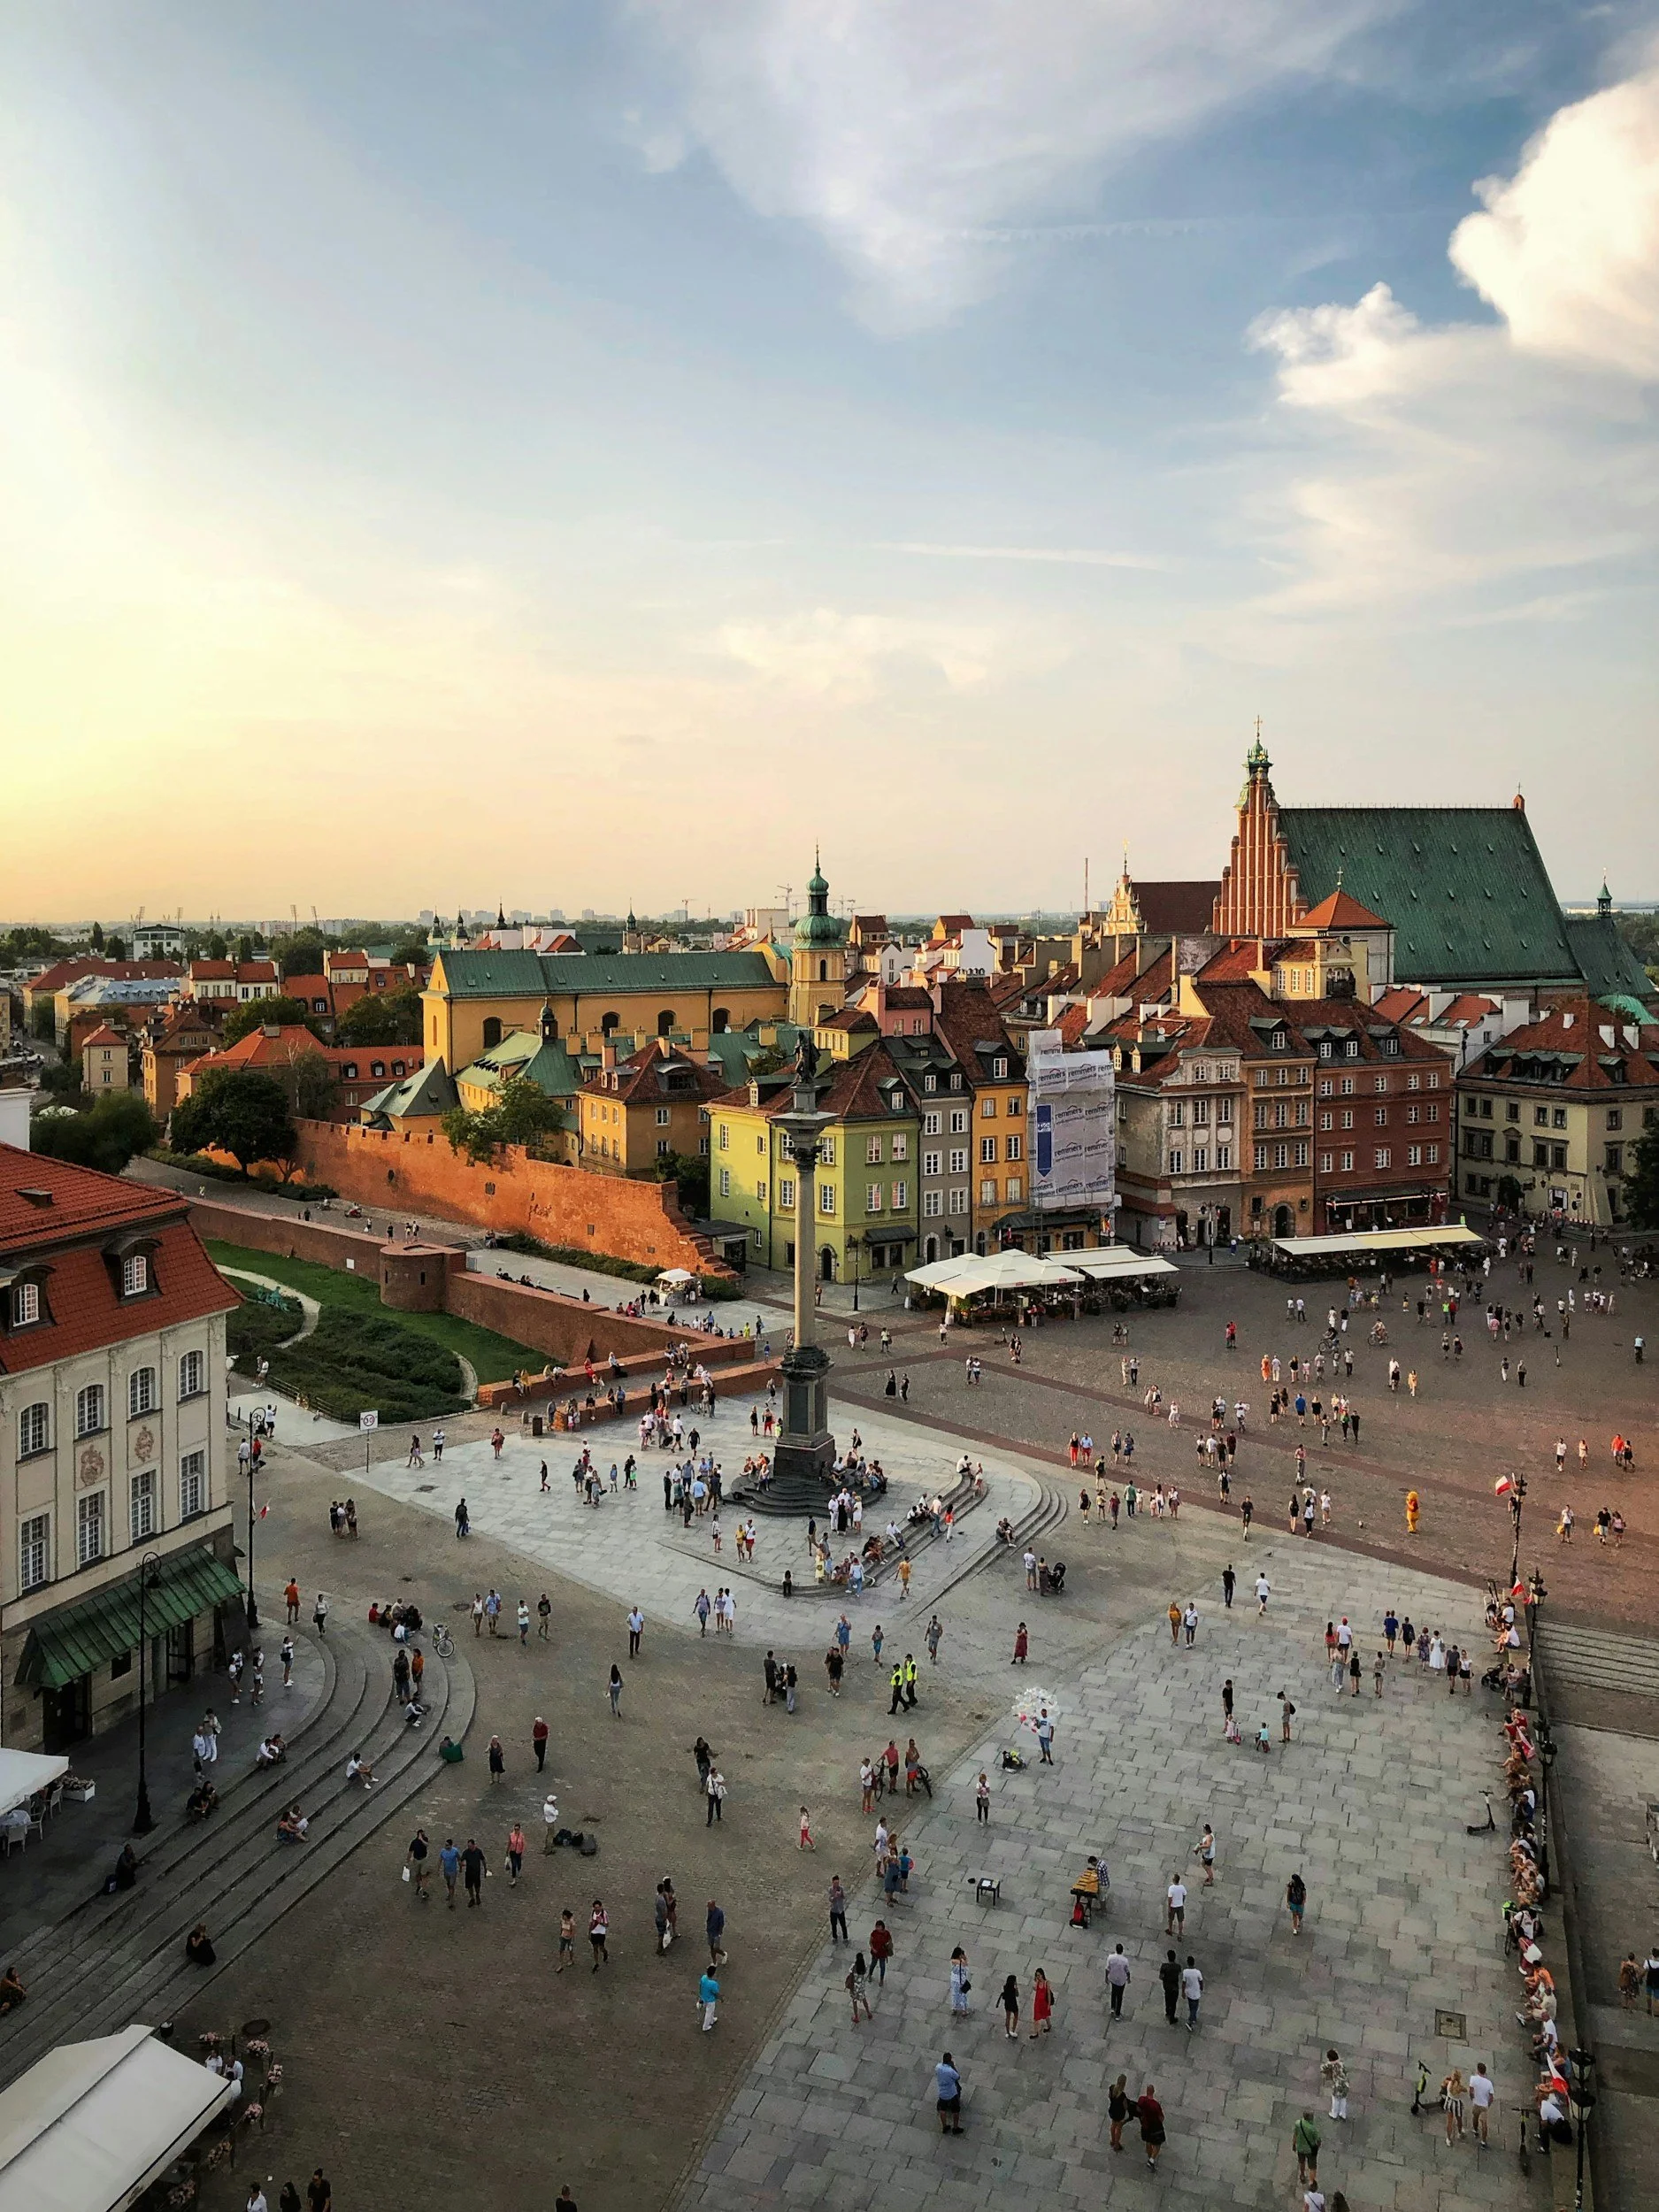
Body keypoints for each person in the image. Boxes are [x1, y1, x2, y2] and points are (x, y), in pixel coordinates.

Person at [1136, 2084, 1166, 2170]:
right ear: (1153, 2092)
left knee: (1148, 2142)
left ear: (1147, 2091)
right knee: (1157, 2144)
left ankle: (1150, 2157)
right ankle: (1152, 2160)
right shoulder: (1155, 2105)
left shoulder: (1141, 2099)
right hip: (1155, 2127)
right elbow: (1161, 2118)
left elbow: (1138, 2109)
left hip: (1145, 2125)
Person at [934, 2053, 964, 2134]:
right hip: (952, 2093)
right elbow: (957, 2077)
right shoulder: (950, 2070)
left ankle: (944, 2126)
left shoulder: (938, 2067)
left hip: (942, 2093)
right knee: (956, 2111)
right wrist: (953, 2067)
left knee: (942, 2110)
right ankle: (955, 2128)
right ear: (950, 2060)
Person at [1293, 2113, 1320, 2186]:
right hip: (1310, 2150)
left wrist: (1294, 2144)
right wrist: (1317, 2147)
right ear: (1310, 2118)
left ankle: (1302, 2176)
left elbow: (1295, 2134)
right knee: (1312, 2167)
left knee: (1302, 2162)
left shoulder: (1298, 2123)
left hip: (1300, 2148)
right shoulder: (1312, 2129)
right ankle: (1311, 2182)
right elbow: (1318, 2140)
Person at [1321, 2047, 1348, 2119]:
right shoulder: (1342, 2063)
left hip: (1337, 2085)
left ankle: (1334, 2114)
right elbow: (1346, 2071)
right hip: (1345, 2084)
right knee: (1343, 2099)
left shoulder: (1331, 2064)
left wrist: (1330, 2063)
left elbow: (1322, 2068)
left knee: (1335, 2099)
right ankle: (1343, 2114)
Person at [1108, 2074, 1131, 2154]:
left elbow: (1109, 2096)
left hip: (1112, 2111)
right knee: (1119, 2128)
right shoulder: (1122, 2095)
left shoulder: (1112, 2088)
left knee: (1113, 2125)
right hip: (1119, 2114)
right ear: (1124, 2084)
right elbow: (1125, 2106)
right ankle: (1116, 2145)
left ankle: (1112, 2140)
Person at [1031, 1967, 1053, 2036]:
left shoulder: (1046, 1983)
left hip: (1044, 2003)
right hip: (1037, 2003)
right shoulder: (1037, 1982)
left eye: (1039, 1975)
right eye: (1037, 1975)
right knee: (1036, 2018)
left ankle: (1049, 2026)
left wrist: (1049, 2004)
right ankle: (1036, 2032)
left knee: (1046, 2015)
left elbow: (1048, 1994)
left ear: (1042, 1975)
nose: (1038, 1977)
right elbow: (1036, 1989)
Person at [999, 1973, 1020, 2039]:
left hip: (1007, 2004)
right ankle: (1013, 2030)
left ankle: (1008, 2032)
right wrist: (1016, 1987)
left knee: (1008, 2018)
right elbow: (1017, 1995)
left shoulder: (1005, 1987)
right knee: (1016, 2016)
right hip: (1013, 2003)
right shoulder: (1014, 1989)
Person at [1286, 1870, 1307, 1935]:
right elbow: (1288, 1893)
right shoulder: (1291, 1885)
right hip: (1293, 1902)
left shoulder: (1301, 1886)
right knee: (1294, 1915)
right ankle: (1295, 1929)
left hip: (1300, 1903)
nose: (1292, 1880)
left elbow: (1304, 1894)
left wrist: (1303, 1902)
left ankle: (1299, 1921)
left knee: (1300, 1915)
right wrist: (1288, 1902)